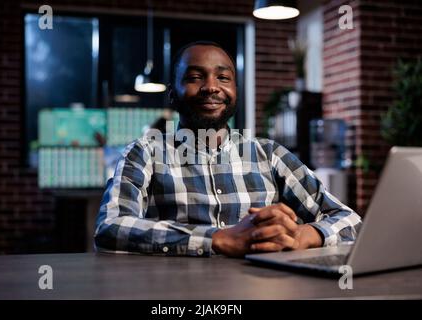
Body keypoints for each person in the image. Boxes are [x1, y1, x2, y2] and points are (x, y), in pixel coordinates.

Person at [94, 41, 362, 258]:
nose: (211, 86)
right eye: (195, 77)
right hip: (174, 292)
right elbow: (110, 227)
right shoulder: (145, 153)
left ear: (234, 90)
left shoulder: (270, 154)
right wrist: (218, 239)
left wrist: (302, 236)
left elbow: (350, 220)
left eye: (223, 77)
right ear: (173, 94)